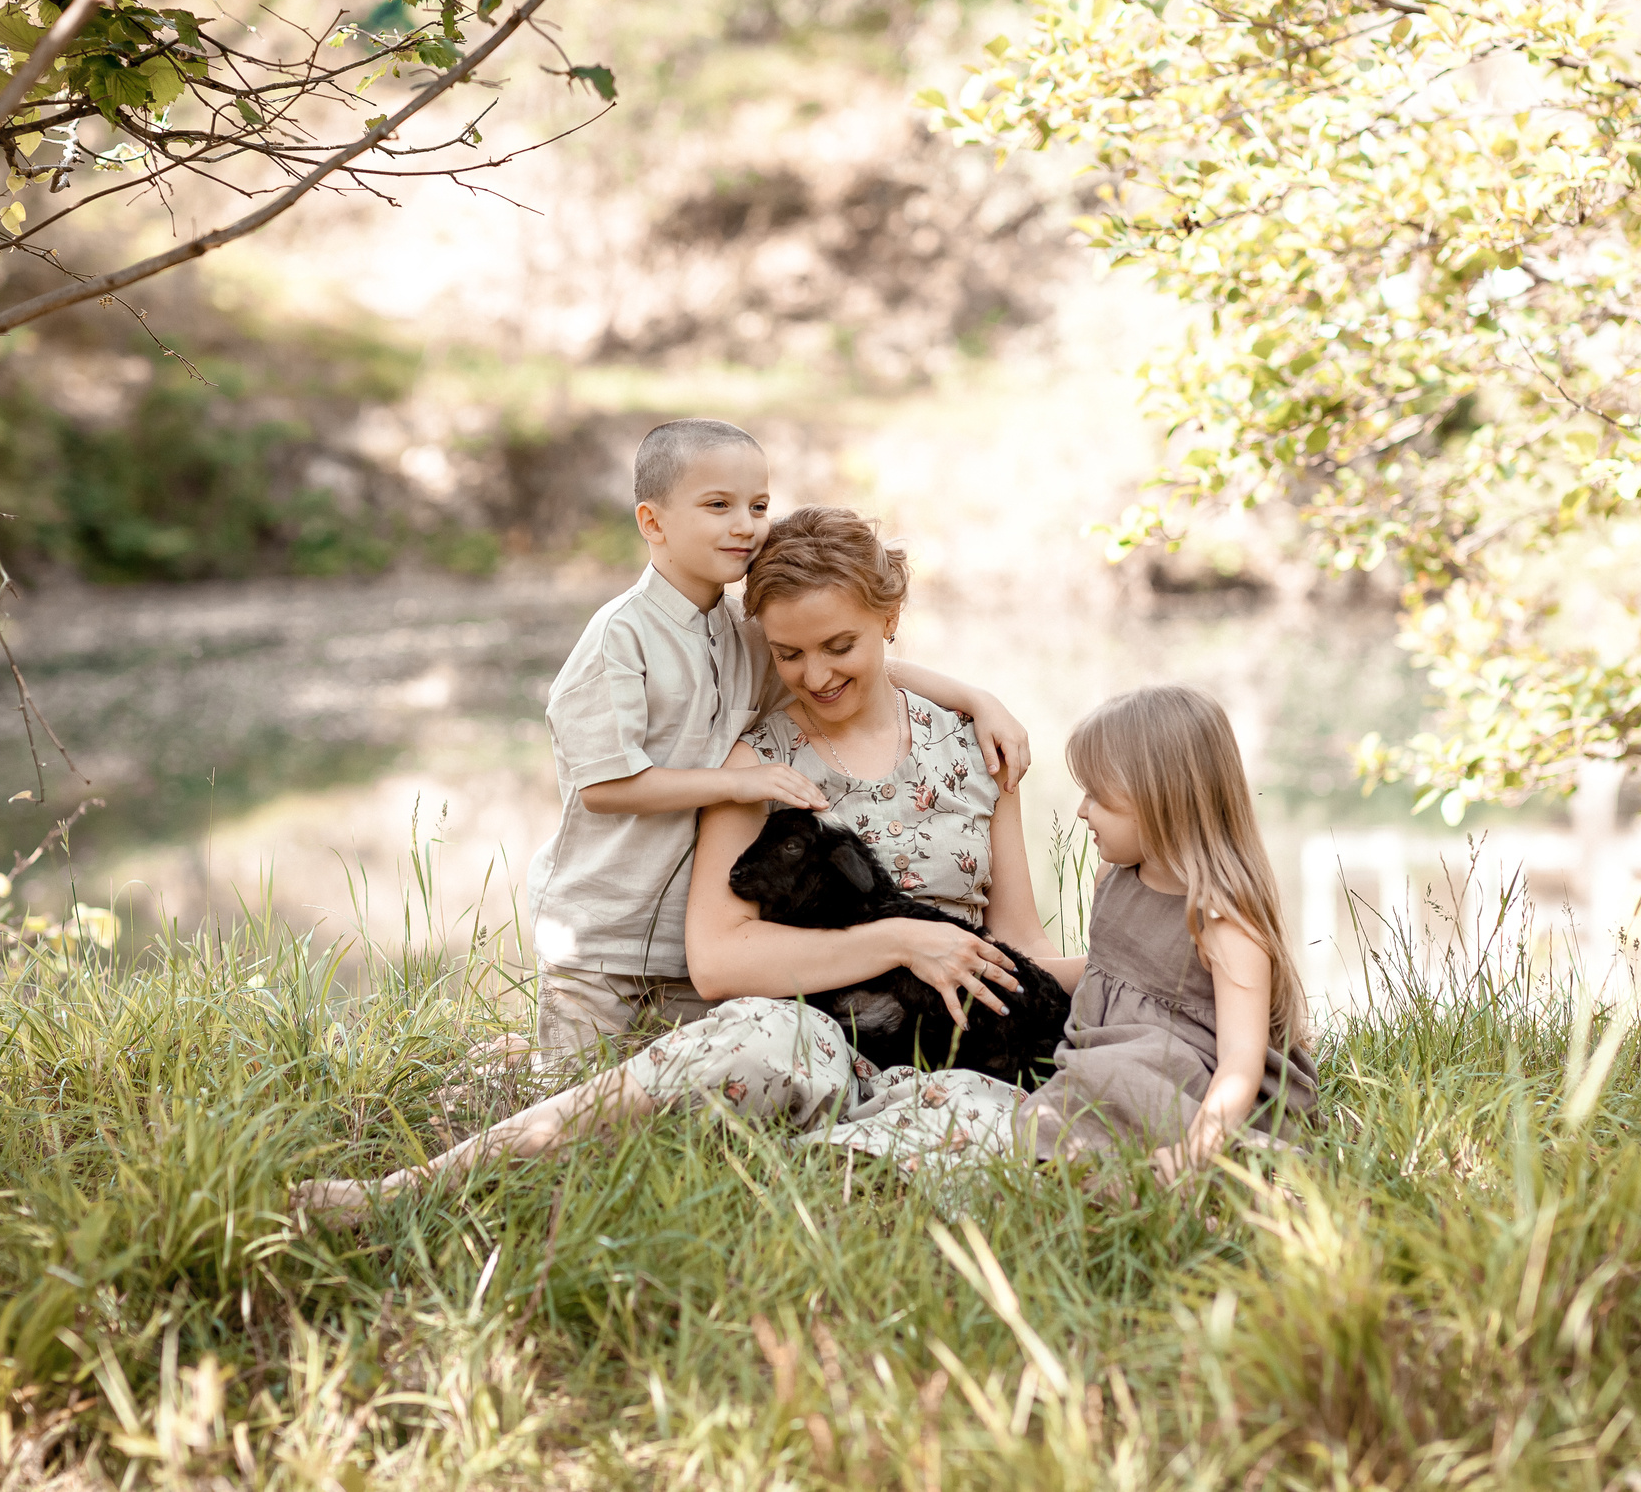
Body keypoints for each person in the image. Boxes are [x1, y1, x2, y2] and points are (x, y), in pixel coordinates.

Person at [292, 507, 1064, 1224]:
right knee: (757, 1039)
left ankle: (822, 1172)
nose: (818, 675)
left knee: (1007, 1118)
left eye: (840, 647)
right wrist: (898, 942)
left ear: (890, 620)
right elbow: (721, 959)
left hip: (959, 1049)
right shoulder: (757, 762)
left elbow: (1020, 943)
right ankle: (405, 1190)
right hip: (814, 1033)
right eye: (788, 654)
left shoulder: (974, 748)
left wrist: (1147, 972)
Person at [523, 420, 1031, 1058]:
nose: (745, 525)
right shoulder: (619, 640)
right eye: (718, 506)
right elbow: (604, 786)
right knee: (576, 1089)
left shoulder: (741, 630)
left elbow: (852, 667)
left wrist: (974, 699)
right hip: (602, 934)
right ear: (652, 523)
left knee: (676, 1102)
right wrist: (740, 782)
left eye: (758, 506)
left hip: (686, 937)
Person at [1018, 684, 1318, 1178]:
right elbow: (1108, 973)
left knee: (1110, 1079)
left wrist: (1194, 1153)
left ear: (1161, 800)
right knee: (1060, 1103)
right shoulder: (1112, 880)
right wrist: (1015, 967)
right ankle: (1106, 1171)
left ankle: (1195, 1168)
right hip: (1119, 1064)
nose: (1081, 811)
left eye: (1097, 796)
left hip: (1201, 1089)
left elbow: (1239, 1068)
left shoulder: (1221, 922)